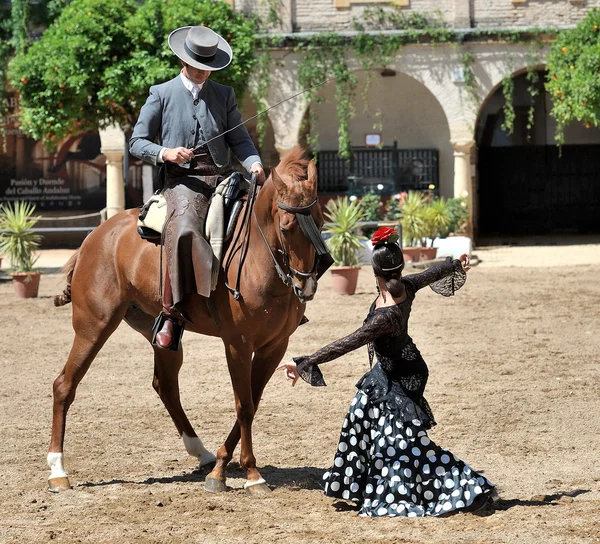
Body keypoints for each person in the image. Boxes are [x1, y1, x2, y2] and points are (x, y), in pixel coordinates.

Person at [277, 227, 496, 518]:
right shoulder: (405, 285)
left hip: (406, 375)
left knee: (406, 444)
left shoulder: (387, 315)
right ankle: (354, 486)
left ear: (375, 271)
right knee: (359, 414)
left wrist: (305, 361)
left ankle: (470, 491)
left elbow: (350, 341)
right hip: (391, 369)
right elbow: (430, 273)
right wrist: (454, 263)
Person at [130, 25, 265, 350]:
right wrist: (165, 153)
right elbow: (137, 142)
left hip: (221, 177)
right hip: (182, 182)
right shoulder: (160, 93)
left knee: (262, 219)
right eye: (200, 66)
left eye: (210, 67)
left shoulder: (224, 94)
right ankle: (171, 315)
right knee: (186, 228)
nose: (205, 72)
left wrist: (254, 163)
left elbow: (240, 140)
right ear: (184, 61)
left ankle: (278, 299)